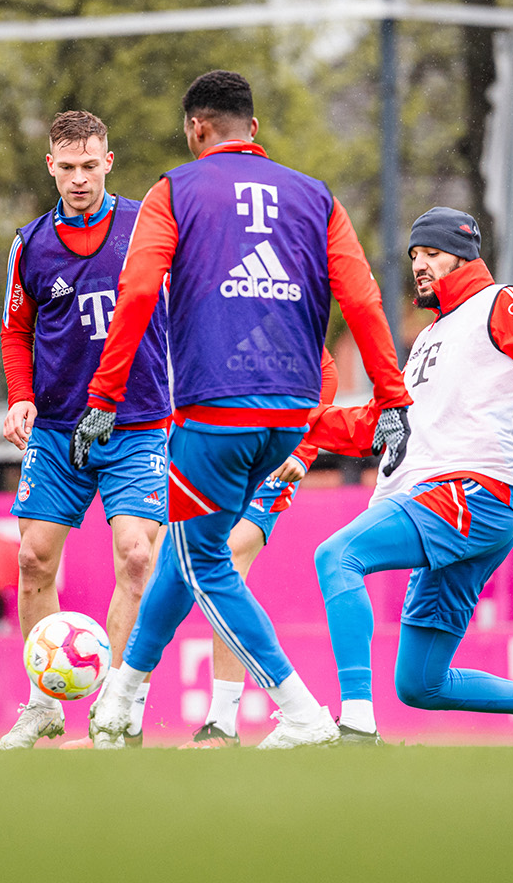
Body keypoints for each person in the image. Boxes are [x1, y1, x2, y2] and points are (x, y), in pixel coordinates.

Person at [73, 70, 413, 750]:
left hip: (219, 411)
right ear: (251, 129)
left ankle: (300, 711)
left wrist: (103, 400)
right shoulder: (317, 197)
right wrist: (392, 401)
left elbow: (137, 295)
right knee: (185, 554)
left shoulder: (174, 190)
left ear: (195, 128)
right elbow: (365, 302)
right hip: (293, 413)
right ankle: (121, 703)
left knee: (205, 562)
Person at [302, 208, 513, 745]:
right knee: (421, 684)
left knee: (337, 555)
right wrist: (279, 425)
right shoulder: (428, 340)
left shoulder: (502, 303)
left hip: (473, 494)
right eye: (414, 256)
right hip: (450, 506)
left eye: (432, 253)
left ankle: (355, 725)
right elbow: (376, 424)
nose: (419, 265)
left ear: (464, 254)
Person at [0, 111, 172, 750]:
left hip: (139, 425)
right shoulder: (30, 244)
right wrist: (20, 399)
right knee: (32, 558)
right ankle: (44, 706)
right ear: (51, 166)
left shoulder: (146, 229)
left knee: (136, 557)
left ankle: (116, 713)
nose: (78, 178)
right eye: (66, 166)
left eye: (89, 165)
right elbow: (16, 332)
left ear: (109, 161)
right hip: (59, 431)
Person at [184, 350, 338, 749]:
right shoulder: (177, 301)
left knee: (226, 557)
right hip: (213, 451)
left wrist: (303, 450)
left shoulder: (259, 299)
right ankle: (122, 716)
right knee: (165, 569)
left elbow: (324, 369)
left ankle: (223, 723)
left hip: (270, 453)